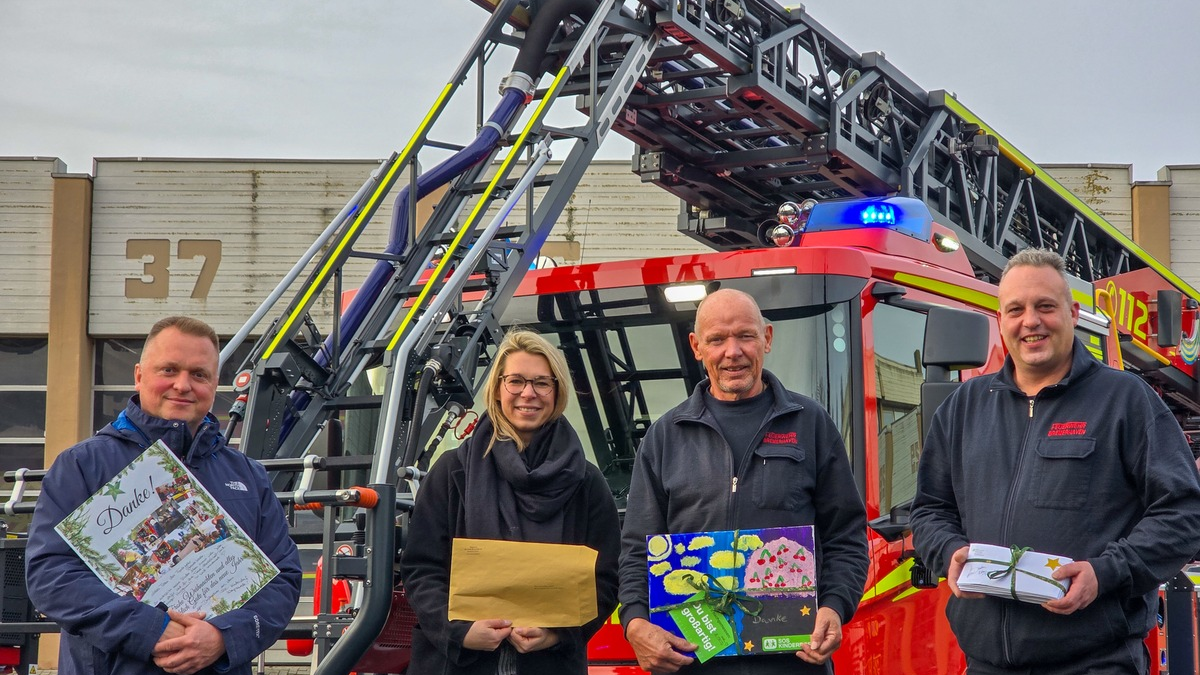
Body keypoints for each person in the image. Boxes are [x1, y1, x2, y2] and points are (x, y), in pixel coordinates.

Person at [910, 248, 1200, 674]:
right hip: (985, 662)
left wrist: (1107, 573)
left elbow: (1185, 512)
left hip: (1094, 661)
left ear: (1073, 312)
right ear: (1000, 319)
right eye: (1016, 309)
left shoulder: (1124, 401)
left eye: (1045, 306)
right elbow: (930, 509)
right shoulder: (963, 407)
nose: (1031, 321)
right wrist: (949, 551)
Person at [26, 316, 302, 675]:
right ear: (139, 375)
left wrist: (222, 637)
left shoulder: (248, 475)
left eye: (199, 374)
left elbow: (282, 578)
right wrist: (152, 630)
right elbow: (51, 574)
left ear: (215, 384)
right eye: (168, 369)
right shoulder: (82, 465)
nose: (183, 385)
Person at [617, 288, 869, 674]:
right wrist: (634, 622)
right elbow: (638, 548)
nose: (731, 352)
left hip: (792, 661)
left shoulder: (810, 423)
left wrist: (836, 605)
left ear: (766, 338)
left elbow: (846, 535)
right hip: (693, 660)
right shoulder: (665, 436)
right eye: (716, 339)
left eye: (745, 336)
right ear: (696, 347)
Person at [399, 329, 621, 675]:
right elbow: (421, 569)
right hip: (457, 664)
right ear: (498, 388)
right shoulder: (452, 472)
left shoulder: (587, 482)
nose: (528, 394)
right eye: (515, 381)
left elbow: (605, 580)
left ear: (557, 391)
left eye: (541, 383)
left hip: (550, 666)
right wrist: (459, 630)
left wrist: (557, 633)